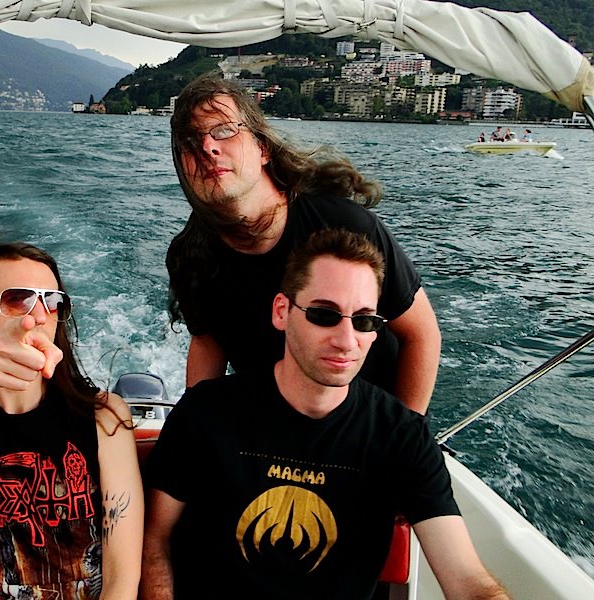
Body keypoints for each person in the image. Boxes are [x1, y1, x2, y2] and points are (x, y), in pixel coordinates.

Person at [142, 228, 509, 600]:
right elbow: (155, 539)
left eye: (364, 320)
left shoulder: (401, 437)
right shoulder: (206, 414)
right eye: (323, 314)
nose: (346, 340)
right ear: (282, 312)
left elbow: (468, 580)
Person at [166, 73, 440, 414]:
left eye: (223, 130)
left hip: (368, 422)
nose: (207, 148)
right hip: (274, 425)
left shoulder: (343, 225)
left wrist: (405, 432)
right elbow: (208, 342)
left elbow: (420, 334)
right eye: (190, 141)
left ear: (262, 148)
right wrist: (196, 426)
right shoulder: (191, 254)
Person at [0, 234, 143, 600]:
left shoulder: (104, 417)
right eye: (18, 299)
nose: (38, 315)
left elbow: (122, 578)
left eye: (52, 301)